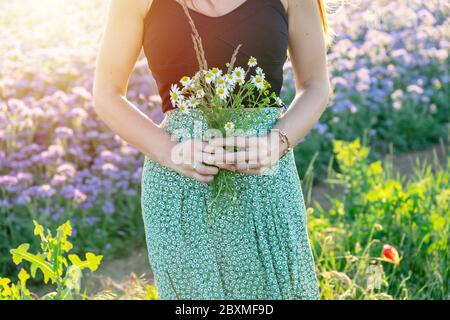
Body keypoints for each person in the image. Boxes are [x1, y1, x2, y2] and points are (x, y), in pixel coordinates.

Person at [93, 0, 331, 300]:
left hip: (265, 180)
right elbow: (106, 93)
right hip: (179, 185)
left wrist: (276, 143)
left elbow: (315, 85)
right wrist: (169, 151)